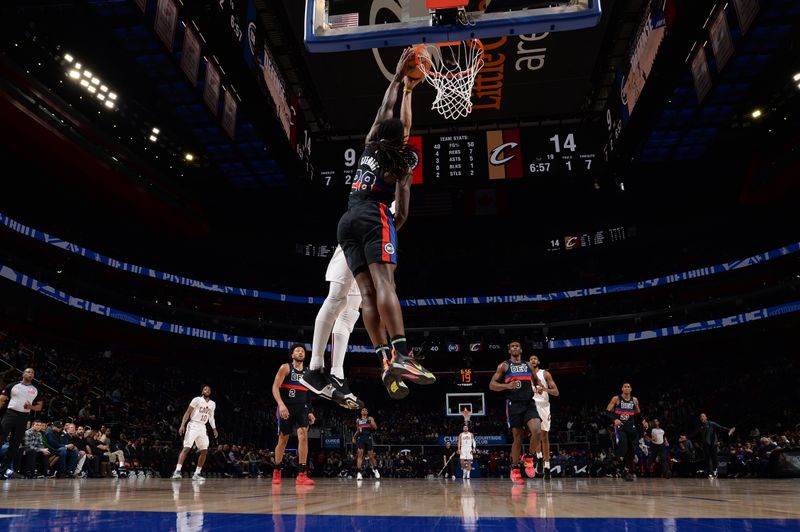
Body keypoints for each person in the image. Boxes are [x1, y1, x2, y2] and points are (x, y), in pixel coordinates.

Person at [334, 47, 435, 392]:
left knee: (366, 294)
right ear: (402, 140)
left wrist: (399, 78)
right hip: (374, 216)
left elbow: (387, 110)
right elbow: (402, 212)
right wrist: (391, 231)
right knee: (385, 285)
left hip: (346, 219)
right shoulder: (402, 165)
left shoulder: (369, 143)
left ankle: (384, 360)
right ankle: (403, 353)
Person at [301, 245, 367, 409]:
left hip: (370, 253)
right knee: (336, 299)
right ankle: (315, 367)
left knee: (349, 313)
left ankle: (337, 374)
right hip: (356, 241)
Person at [489, 340, 543, 484]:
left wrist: (538, 387)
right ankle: (515, 468)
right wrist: (506, 386)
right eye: (512, 346)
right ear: (509, 350)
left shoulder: (528, 365)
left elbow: (537, 381)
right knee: (518, 438)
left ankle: (529, 458)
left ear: (521, 349)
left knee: (537, 430)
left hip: (529, 403)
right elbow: (492, 385)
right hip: (514, 405)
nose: (514, 348)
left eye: (517, 346)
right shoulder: (504, 365)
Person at [271, 343, 315, 486]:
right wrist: (281, 404)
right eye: (297, 351)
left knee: (303, 435)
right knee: (283, 439)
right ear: (292, 355)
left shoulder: (308, 372)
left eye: (302, 351)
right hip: (286, 408)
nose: (300, 352)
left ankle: (302, 474)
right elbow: (275, 387)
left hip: (301, 408)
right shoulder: (285, 367)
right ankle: (277, 470)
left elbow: (308, 393)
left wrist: (310, 411)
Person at [0, 367, 44, 478]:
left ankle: (2, 471)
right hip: (10, 414)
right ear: (23, 374)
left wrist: (31, 406)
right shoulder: (12, 385)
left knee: (14, 445)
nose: (30, 374)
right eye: (28, 372)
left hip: (24, 417)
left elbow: (39, 406)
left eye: (32, 373)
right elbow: (1, 399)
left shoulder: (36, 389)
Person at [171, 385, 218, 481]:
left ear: (210, 392)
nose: (206, 390)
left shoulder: (212, 404)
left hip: (202, 427)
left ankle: (197, 473)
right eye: (204, 389)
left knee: (204, 450)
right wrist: (182, 425)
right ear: (202, 391)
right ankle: (177, 471)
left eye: (208, 389)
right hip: (193, 425)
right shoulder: (196, 400)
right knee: (187, 448)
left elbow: (211, 417)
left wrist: (214, 429)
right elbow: (188, 412)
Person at [605, 382, 649, 481]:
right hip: (620, 426)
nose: (627, 388)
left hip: (631, 427)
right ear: (622, 389)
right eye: (625, 386)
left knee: (632, 450)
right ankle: (613, 458)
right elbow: (607, 412)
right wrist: (614, 419)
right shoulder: (616, 398)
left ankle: (625, 471)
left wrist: (643, 421)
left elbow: (638, 413)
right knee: (624, 448)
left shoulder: (634, 400)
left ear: (631, 389)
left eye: (628, 386)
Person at [529, 354, 559, 481]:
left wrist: (544, 389)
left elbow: (556, 392)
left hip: (544, 406)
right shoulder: (526, 375)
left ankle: (547, 467)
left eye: (535, 358)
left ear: (539, 361)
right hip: (532, 405)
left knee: (544, 437)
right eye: (530, 359)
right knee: (535, 432)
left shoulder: (545, 374)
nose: (533, 360)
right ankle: (539, 457)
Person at [679, 413, 735, 479]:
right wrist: (686, 437)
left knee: (714, 458)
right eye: (700, 416)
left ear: (706, 417)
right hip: (705, 445)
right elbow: (694, 433)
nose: (702, 417)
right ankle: (710, 473)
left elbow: (720, 427)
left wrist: (729, 430)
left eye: (703, 416)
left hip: (713, 444)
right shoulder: (699, 426)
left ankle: (715, 471)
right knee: (707, 459)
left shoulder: (711, 423)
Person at [353, 407, 380, 480]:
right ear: (361, 412)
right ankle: (359, 473)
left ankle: (375, 470)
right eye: (363, 410)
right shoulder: (358, 420)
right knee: (360, 455)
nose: (364, 411)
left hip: (368, 438)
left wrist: (369, 421)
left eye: (365, 410)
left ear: (367, 412)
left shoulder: (370, 418)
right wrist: (354, 437)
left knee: (371, 456)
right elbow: (358, 430)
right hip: (361, 438)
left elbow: (375, 427)